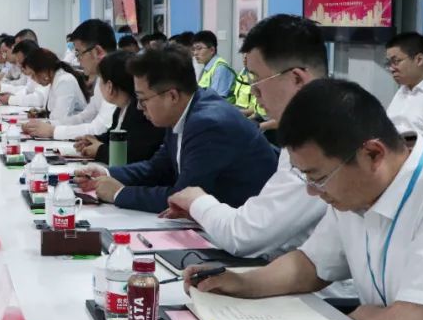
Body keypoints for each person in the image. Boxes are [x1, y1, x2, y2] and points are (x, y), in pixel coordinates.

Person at [185, 79, 423, 320]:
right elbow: (311, 264)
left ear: (373, 154)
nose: (312, 191)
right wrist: (241, 283)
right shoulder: (359, 191)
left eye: (318, 177)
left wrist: (361, 314)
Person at [163, 15, 332, 258]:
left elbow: (245, 235)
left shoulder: (321, 138)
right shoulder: (304, 126)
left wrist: (196, 200)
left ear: (297, 78)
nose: (253, 91)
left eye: (257, 79)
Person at [75, 45, 277, 213]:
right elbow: (157, 168)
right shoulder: (183, 111)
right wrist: (106, 173)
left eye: (143, 99)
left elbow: (183, 197)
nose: (139, 107)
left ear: (172, 96)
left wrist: (119, 193)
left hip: (249, 228)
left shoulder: (207, 123)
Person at [24, 19, 117, 140]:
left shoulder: (116, 79)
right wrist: (49, 125)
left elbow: (100, 128)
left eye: (79, 53)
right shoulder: (102, 78)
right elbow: (84, 117)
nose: (77, 59)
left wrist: (53, 131)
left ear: (98, 52)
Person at [72, 51, 164, 164]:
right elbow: (114, 135)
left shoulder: (139, 111)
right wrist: (95, 140)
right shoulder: (122, 108)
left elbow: (132, 155)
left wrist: (99, 150)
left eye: (101, 80)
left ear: (109, 86)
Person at [22, 48, 89, 122]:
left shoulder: (65, 81)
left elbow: (58, 118)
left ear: (43, 70)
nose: (33, 79)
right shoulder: (54, 80)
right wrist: (41, 113)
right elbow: (54, 111)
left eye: (33, 75)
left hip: (77, 127)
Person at [0, 40, 46, 107]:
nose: (19, 65)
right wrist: (11, 95)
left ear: (30, 57)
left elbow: (39, 100)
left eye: (20, 62)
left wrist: (11, 99)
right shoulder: (32, 72)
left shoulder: (43, 71)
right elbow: (27, 90)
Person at [192, 30, 237, 99]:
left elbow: (216, 100)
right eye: (194, 49)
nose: (195, 53)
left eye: (199, 48)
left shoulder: (220, 68)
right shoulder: (207, 68)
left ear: (212, 50)